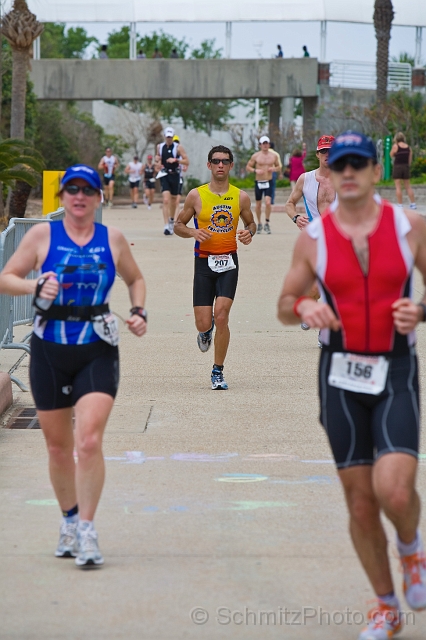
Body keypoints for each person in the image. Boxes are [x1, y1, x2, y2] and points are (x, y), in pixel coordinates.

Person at [277, 131, 426, 639]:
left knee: (395, 490)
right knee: (361, 501)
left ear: (374, 169)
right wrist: (305, 306)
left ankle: (411, 548)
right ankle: (386, 607)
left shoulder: (410, 228)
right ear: (330, 171)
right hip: (338, 374)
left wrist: (420, 309)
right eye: (339, 164)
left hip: (395, 370)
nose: (348, 172)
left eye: (358, 163)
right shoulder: (313, 239)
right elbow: (284, 303)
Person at [0, 164, 147, 569]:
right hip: (50, 350)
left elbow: (135, 279)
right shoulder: (41, 236)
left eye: (87, 190)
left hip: (98, 347)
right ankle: (67, 519)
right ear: (63, 197)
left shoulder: (111, 239)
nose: (79, 197)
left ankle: (87, 527)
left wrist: (138, 311)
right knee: (58, 446)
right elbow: (6, 277)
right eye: (72, 190)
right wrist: (34, 285)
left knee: (89, 441)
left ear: (98, 197)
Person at [174, 145, 256, 390]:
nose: (221, 165)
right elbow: (178, 224)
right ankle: (204, 332)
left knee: (221, 315)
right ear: (209, 165)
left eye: (225, 161)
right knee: (203, 322)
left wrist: (249, 233)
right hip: (203, 263)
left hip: (229, 261)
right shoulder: (196, 196)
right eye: (216, 161)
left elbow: (252, 223)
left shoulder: (240, 196)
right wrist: (191, 231)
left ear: (231, 165)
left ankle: (217, 371)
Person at [285, 135, 336, 229]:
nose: (327, 154)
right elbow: (289, 203)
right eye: (323, 151)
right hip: (314, 235)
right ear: (317, 154)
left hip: (338, 235)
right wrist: (296, 218)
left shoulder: (344, 180)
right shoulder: (306, 178)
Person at [155, 127, 189, 236]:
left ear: (172, 136)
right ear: (164, 136)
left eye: (170, 137)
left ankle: (171, 220)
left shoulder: (178, 148)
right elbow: (158, 158)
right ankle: (166, 225)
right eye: (167, 137)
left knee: (174, 200)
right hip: (165, 174)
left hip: (175, 175)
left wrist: (176, 160)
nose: (169, 139)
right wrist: (158, 163)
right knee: (166, 200)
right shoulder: (160, 147)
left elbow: (187, 161)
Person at [246, 135, 280, 234]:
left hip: (268, 181)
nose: (265, 145)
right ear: (260, 145)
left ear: (269, 144)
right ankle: (259, 223)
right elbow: (248, 167)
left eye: (266, 143)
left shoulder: (274, 156)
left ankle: (267, 222)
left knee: (268, 202)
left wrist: (273, 169)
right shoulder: (256, 156)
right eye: (263, 143)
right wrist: (255, 170)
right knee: (258, 204)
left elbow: (278, 167)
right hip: (259, 182)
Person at [390, 132, 417, 210]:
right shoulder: (409, 147)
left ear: (396, 138)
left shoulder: (396, 146)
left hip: (398, 166)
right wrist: (407, 166)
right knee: (408, 186)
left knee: (398, 186)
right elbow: (410, 159)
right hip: (406, 166)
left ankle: (400, 204)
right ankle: (413, 204)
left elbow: (391, 155)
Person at [269, 141, 283, 206]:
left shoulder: (262, 153)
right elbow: (279, 165)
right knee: (272, 186)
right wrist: (280, 173)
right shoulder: (276, 154)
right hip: (273, 171)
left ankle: (266, 200)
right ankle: (271, 201)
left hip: (263, 172)